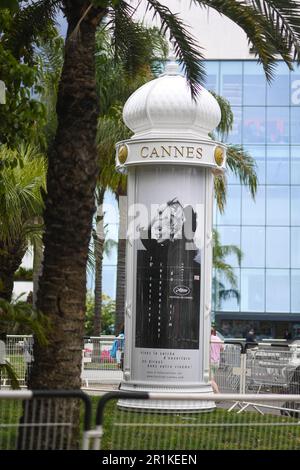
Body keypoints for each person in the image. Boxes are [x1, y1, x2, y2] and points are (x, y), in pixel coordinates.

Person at [210, 328, 224, 394]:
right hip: (217, 361)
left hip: (209, 361)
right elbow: (222, 349)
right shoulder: (218, 339)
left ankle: (218, 393)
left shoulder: (208, 339)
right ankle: (212, 394)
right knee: (212, 379)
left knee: (211, 379)